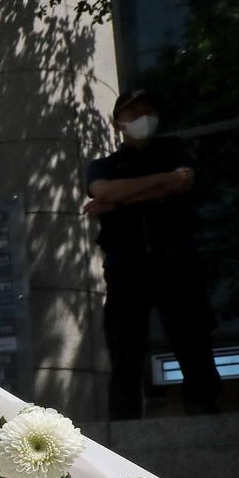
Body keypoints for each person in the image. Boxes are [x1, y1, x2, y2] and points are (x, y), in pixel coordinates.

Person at [83, 90, 222, 420]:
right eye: (133, 113)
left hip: (178, 261)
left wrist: (115, 202)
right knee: (124, 351)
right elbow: (101, 190)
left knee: (192, 342)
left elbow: (182, 183)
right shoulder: (104, 165)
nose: (142, 118)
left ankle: (207, 411)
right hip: (125, 267)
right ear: (117, 123)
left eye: (147, 111)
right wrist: (160, 184)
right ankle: (124, 426)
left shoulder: (176, 150)